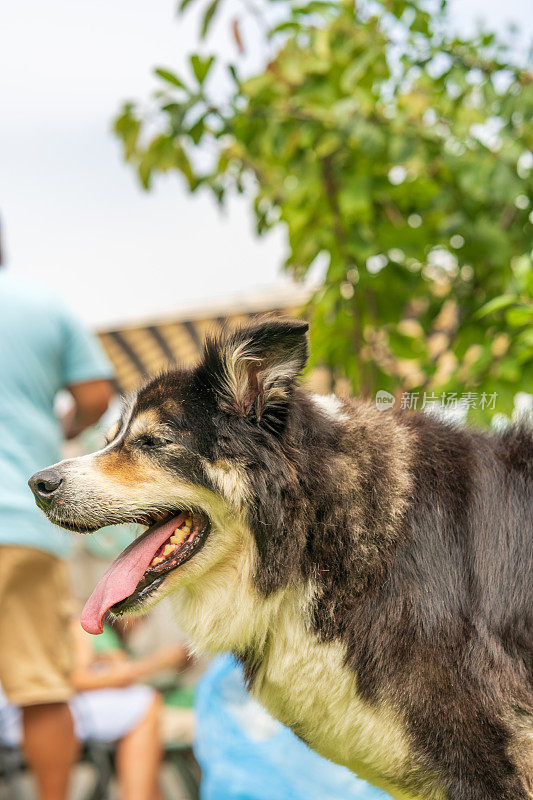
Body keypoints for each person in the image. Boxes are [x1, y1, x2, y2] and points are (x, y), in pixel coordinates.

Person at [0, 219, 115, 800]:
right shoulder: (42, 305)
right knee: (40, 688)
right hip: (21, 522)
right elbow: (96, 394)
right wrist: (62, 433)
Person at [0, 619, 188, 800]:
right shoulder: (85, 625)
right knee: (145, 701)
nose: (142, 622)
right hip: (24, 710)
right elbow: (76, 678)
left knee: (143, 704)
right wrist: (159, 662)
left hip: (29, 706)